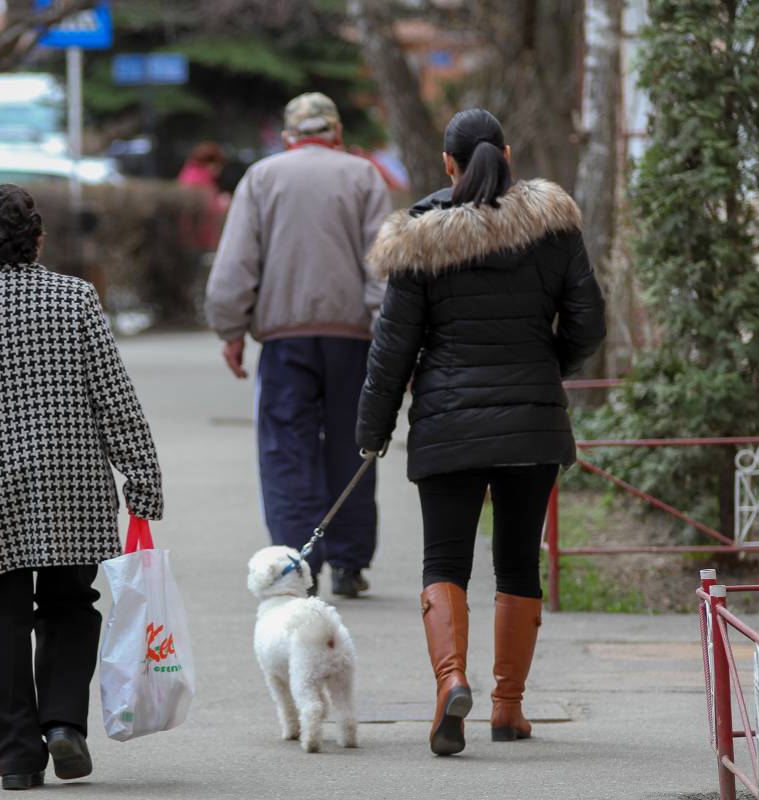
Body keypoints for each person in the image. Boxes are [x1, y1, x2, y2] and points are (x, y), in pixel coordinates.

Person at [355, 109, 605, 756]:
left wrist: (373, 431)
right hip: (531, 427)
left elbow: (392, 350)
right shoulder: (553, 227)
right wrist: (545, 369)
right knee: (518, 561)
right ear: (508, 154)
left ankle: (450, 683)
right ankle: (508, 708)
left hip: (447, 424)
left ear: (448, 164)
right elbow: (588, 322)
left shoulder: (420, 238)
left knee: (445, 561)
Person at [0, 184, 163, 791]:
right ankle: (64, 723)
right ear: (37, 238)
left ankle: (17, 758)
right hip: (71, 486)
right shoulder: (75, 301)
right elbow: (115, 398)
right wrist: (142, 477)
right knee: (71, 605)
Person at [205, 92, 392, 598]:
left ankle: (296, 564)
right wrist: (388, 332)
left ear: (289, 136)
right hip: (353, 340)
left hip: (285, 342)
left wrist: (230, 329)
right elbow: (383, 265)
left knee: (286, 449)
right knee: (353, 445)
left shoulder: (262, 178)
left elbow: (236, 263)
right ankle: (350, 562)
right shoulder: (364, 176)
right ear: (336, 133)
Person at [176, 141, 229, 251]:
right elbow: (208, 207)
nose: (220, 170)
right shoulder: (199, 178)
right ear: (212, 163)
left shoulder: (189, 172)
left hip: (187, 237)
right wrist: (223, 204)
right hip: (198, 239)